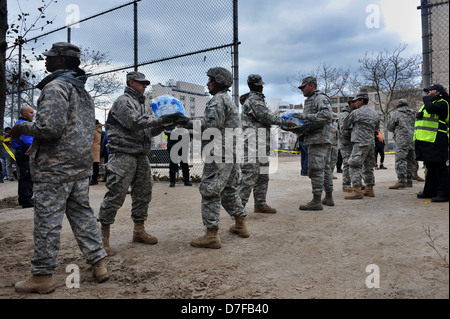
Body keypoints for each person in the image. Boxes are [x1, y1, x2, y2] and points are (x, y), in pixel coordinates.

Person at [11, 42, 109, 294]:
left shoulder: (56, 87)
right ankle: (99, 263)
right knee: (82, 215)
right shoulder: (81, 90)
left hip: (55, 168)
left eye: (52, 57)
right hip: (79, 164)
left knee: (47, 221)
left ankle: (42, 277)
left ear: (62, 61)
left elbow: (50, 129)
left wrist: (22, 127)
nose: (47, 61)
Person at [98, 71, 185, 253]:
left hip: (140, 154)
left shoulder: (140, 104)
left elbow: (147, 131)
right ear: (131, 83)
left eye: (146, 83)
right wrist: (159, 119)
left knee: (143, 193)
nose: (145, 86)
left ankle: (139, 230)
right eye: (141, 83)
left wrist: (163, 125)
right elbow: (134, 122)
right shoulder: (124, 101)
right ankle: (102, 238)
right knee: (116, 194)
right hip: (123, 154)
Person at [190, 67, 249, 249]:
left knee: (210, 190)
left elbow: (211, 126)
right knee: (230, 190)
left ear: (218, 82)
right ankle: (240, 225)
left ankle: (211, 235)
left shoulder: (217, 101)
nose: (208, 83)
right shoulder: (228, 100)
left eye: (210, 80)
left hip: (219, 152)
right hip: (231, 152)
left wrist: (186, 122)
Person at [239, 74, 293, 214]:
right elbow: (266, 116)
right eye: (259, 84)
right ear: (252, 85)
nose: (261, 86)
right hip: (252, 146)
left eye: (261, 84)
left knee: (263, 176)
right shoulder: (254, 100)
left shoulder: (258, 100)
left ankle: (260, 204)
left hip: (260, 145)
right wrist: (285, 122)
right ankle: (238, 211)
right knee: (248, 177)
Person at [293, 76, 334, 210]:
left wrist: (305, 117)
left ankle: (316, 200)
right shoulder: (311, 100)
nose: (302, 90)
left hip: (319, 139)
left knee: (316, 169)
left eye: (303, 87)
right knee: (326, 169)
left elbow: (327, 115)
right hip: (319, 138)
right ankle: (328, 197)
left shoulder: (319, 98)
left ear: (311, 85)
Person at [414, 83, 449, 202]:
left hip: (438, 139)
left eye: (430, 91)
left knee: (440, 167)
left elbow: (431, 109)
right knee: (430, 166)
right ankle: (430, 191)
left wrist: (427, 98)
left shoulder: (443, 103)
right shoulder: (430, 103)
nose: (427, 93)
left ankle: (444, 193)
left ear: (437, 92)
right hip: (428, 140)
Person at [342, 93, 380, 199]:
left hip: (360, 142)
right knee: (368, 167)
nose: (355, 103)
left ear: (362, 100)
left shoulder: (356, 112)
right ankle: (369, 189)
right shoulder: (374, 113)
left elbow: (345, 124)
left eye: (356, 101)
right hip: (371, 143)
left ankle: (357, 190)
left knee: (354, 164)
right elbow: (377, 127)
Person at [387, 99, 416, 189]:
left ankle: (401, 181)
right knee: (411, 160)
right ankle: (409, 181)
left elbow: (390, 127)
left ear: (398, 106)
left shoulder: (396, 113)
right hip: (414, 139)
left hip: (402, 140)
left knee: (400, 160)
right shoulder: (414, 113)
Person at [11, 106, 35, 208]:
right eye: (31, 112)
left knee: (24, 176)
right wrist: (33, 149)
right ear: (24, 114)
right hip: (24, 153)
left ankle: (23, 198)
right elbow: (28, 141)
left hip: (21, 153)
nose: (33, 115)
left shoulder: (20, 124)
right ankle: (26, 199)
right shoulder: (23, 125)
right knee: (27, 175)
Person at [338, 97, 357, 192]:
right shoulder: (345, 115)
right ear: (350, 103)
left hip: (353, 143)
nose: (357, 103)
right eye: (355, 102)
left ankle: (354, 184)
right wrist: (356, 132)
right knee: (347, 164)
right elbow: (343, 130)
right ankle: (346, 185)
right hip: (346, 144)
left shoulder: (354, 113)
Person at [90, 119, 102, 185]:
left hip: (93, 148)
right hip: (97, 149)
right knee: (96, 165)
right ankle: (95, 180)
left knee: (93, 166)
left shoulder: (94, 131)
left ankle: (93, 180)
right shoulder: (99, 131)